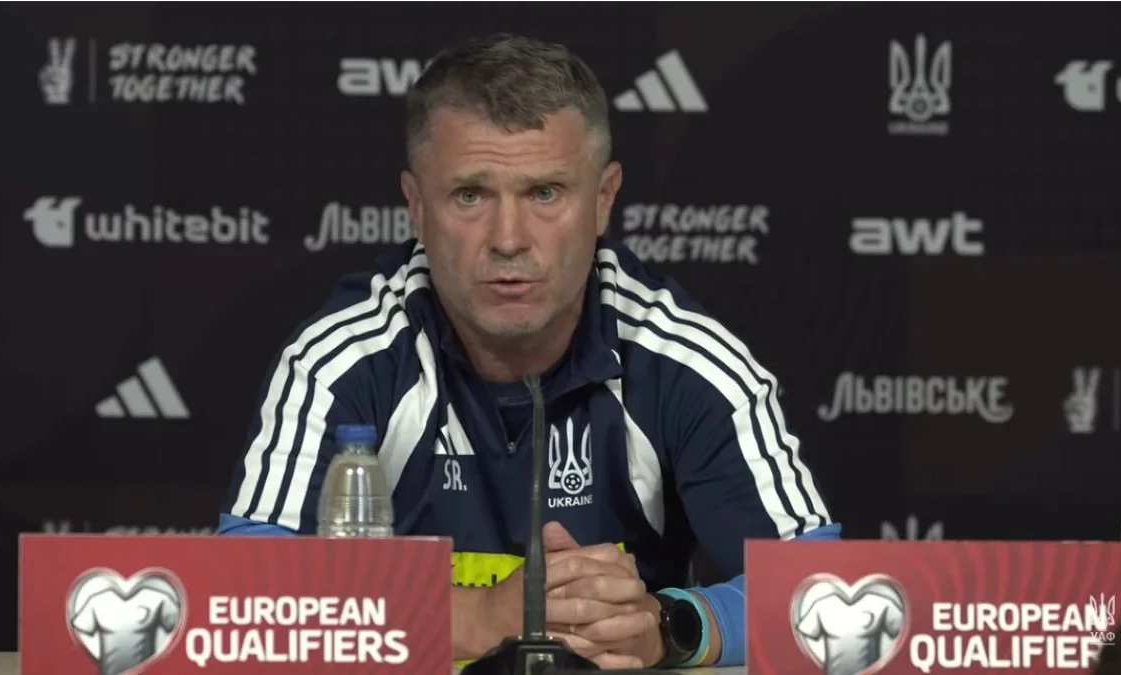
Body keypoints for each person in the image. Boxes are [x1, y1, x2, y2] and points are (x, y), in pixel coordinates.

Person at [218, 33, 841, 669]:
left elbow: (826, 595)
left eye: (545, 193)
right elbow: (239, 595)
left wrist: (668, 626)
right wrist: (476, 617)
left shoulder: (683, 358)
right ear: (416, 207)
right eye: (470, 195)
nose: (509, 239)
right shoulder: (343, 357)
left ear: (603, 200)